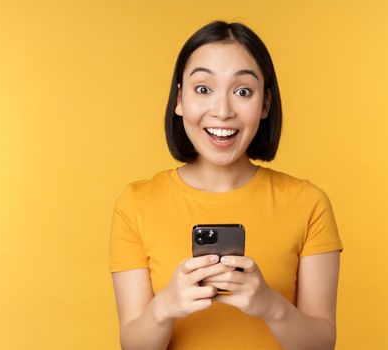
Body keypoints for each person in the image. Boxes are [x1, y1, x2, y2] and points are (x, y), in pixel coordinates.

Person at [109, 20, 343, 350]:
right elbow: (133, 345)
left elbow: (322, 344)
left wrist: (270, 305)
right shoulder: (136, 203)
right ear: (179, 99)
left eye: (243, 91)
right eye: (203, 89)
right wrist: (164, 309)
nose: (222, 111)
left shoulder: (308, 203)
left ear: (265, 104)